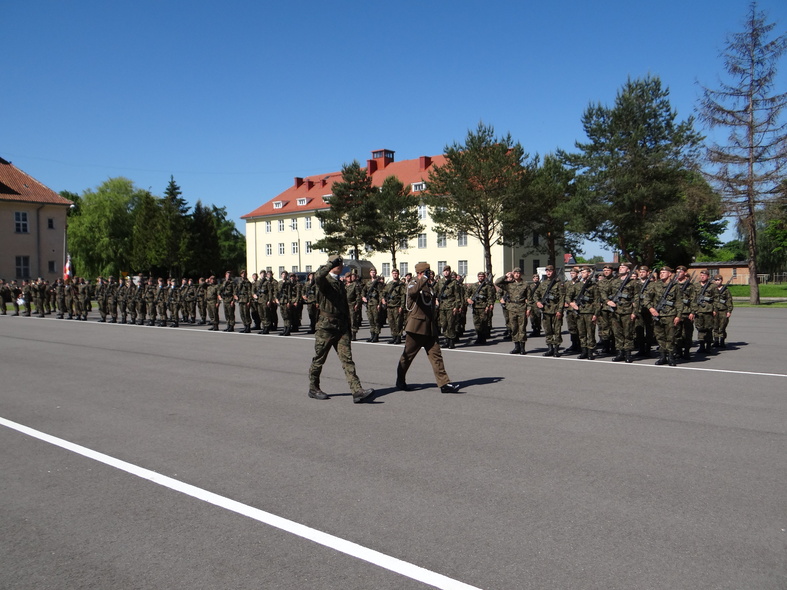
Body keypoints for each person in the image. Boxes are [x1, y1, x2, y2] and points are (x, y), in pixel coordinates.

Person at [307, 256, 373, 403]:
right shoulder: (325, 281)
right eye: (339, 263)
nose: (341, 265)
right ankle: (313, 387)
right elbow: (317, 276)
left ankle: (357, 391)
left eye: (341, 263)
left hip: (341, 327)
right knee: (319, 359)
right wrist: (330, 264)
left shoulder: (340, 282)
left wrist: (348, 327)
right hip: (326, 327)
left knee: (347, 360)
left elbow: (343, 306)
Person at [396, 262, 460, 394]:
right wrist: (423, 279)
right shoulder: (413, 283)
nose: (429, 273)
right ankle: (400, 380)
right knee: (407, 356)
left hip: (429, 327)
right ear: (421, 272)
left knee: (436, 355)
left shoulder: (429, 286)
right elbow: (412, 292)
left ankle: (444, 383)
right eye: (427, 271)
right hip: (416, 327)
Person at [645, 266, 684, 366]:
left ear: (670, 274)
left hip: (670, 314)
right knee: (660, 336)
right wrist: (651, 308)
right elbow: (646, 299)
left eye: (664, 272)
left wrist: (678, 316)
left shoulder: (675, 286)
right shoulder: (654, 285)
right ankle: (662, 356)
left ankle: (671, 357)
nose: (661, 274)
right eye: (660, 272)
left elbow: (679, 302)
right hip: (657, 315)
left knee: (671, 337)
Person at [604, 262, 640, 362]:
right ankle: (620, 353)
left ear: (628, 270)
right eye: (620, 267)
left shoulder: (633, 283)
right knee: (617, 333)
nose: (621, 268)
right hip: (615, 312)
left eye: (623, 267)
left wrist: (634, 312)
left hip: (627, 311)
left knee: (628, 334)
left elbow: (636, 299)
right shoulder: (614, 282)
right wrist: (608, 301)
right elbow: (603, 292)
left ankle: (628, 354)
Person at [495, 268, 531, 354]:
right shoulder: (509, 284)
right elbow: (497, 283)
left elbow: (530, 298)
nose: (517, 275)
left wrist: (529, 309)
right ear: (513, 274)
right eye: (515, 273)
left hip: (522, 307)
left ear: (521, 274)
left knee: (522, 328)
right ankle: (516, 346)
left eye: (519, 273)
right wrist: (505, 276)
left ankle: (522, 348)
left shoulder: (525, 285)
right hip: (511, 308)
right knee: (514, 328)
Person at [533, 265, 566, 356]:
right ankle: (550, 348)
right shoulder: (543, 283)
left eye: (550, 271)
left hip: (555, 310)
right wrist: (538, 302)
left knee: (557, 330)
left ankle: (556, 349)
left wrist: (560, 310)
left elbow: (562, 298)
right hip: (546, 310)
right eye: (547, 271)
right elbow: (536, 294)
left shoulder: (559, 283)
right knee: (548, 330)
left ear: (553, 271)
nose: (548, 272)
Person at [569, 266, 600, 359]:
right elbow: (568, 296)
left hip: (590, 312)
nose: (582, 274)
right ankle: (584, 351)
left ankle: (590, 351)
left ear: (589, 273)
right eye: (581, 272)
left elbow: (597, 301)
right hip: (579, 312)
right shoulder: (577, 285)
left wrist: (596, 314)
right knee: (581, 333)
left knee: (590, 333)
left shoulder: (593, 286)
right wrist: (572, 303)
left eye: (584, 272)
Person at [691, 269, 717, 353]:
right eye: (701, 275)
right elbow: (693, 298)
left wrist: (715, 309)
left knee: (709, 328)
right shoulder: (695, 286)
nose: (702, 277)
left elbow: (716, 298)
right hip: (698, 310)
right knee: (699, 328)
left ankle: (708, 346)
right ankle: (701, 345)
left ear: (708, 276)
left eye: (704, 275)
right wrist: (693, 310)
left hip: (708, 310)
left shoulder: (712, 286)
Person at [466, 271, 496, 345]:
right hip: (475, 307)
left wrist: (489, 306)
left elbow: (490, 297)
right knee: (477, 323)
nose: (480, 277)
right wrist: (468, 299)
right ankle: (479, 337)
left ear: (484, 277)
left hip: (483, 307)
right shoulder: (474, 286)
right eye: (479, 276)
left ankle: (483, 339)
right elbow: (467, 294)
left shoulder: (487, 286)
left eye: (482, 276)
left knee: (483, 323)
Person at [382, 268, 405, 344]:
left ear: (398, 274)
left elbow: (403, 296)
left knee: (398, 322)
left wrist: (402, 306)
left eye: (396, 273)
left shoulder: (401, 284)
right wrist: (383, 299)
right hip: (389, 306)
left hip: (397, 306)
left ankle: (398, 337)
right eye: (393, 273)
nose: (395, 275)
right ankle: (394, 336)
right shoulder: (389, 284)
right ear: (392, 274)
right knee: (391, 322)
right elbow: (384, 293)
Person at [362, 267, 385, 342]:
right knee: (371, 320)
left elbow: (381, 294)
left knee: (376, 320)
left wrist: (379, 304)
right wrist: (363, 297)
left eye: (374, 272)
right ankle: (372, 335)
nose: (373, 273)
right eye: (371, 272)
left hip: (375, 303)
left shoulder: (378, 283)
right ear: (370, 273)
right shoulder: (368, 283)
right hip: (369, 304)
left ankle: (376, 336)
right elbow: (363, 291)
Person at [712, 275, 733, 348]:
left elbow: (729, 300)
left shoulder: (726, 290)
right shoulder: (712, 289)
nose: (717, 281)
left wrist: (729, 311)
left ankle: (722, 341)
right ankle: (716, 340)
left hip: (723, 310)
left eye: (719, 280)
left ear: (722, 280)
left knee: (722, 326)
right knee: (715, 326)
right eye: (716, 280)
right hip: (714, 310)